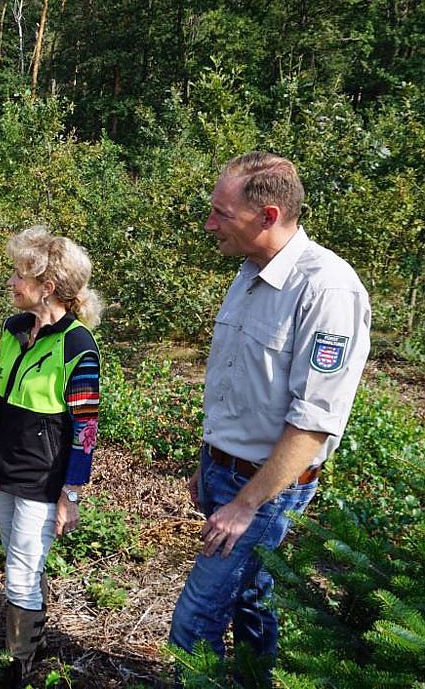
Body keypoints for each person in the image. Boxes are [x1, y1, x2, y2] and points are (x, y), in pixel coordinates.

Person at [168, 152, 371, 684]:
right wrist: (208, 459)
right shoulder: (248, 273)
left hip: (265, 489)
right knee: (250, 599)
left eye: (221, 213)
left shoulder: (326, 289)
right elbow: (238, 382)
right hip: (224, 472)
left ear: (269, 216)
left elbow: (314, 422)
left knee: (192, 625)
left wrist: (245, 505)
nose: (209, 224)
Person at [0, 226, 102, 688]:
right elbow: (0, 399)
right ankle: (33, 642)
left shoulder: (77, 346)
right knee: (16, 557)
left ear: (47, 286)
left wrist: (71, 493)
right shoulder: (14, 331)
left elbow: (86, 428)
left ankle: (19, 666)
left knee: (23, 567)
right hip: (6, 463)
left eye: (18, 275)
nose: (11, 282)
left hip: (43, 475)